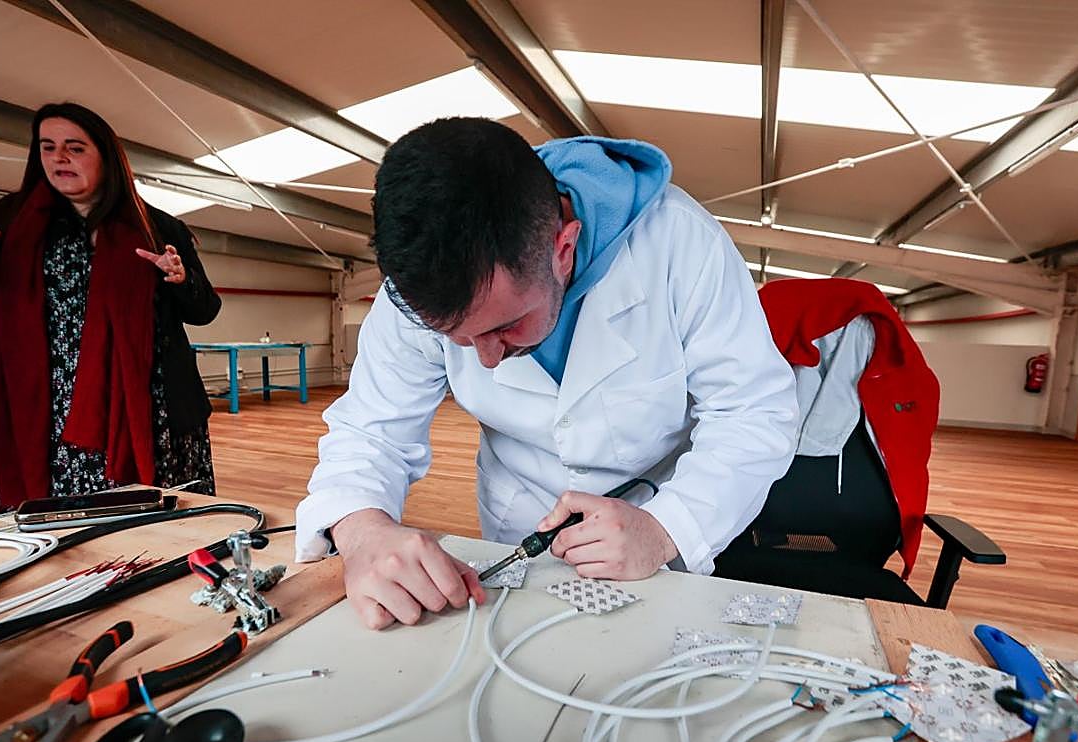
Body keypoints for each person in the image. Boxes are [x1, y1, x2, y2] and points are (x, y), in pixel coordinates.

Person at [296, 117, 799, 630]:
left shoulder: (680, 242)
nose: (486, 359)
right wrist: (362, 531)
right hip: (517, 528)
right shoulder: (419, 284)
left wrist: (667, 528)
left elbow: (753, 412)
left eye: (506, 326)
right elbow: (371, 431)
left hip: (657, 528)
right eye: (459, 338)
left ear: (564, 249)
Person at [0, 102, 221, 518]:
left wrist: (181, 279)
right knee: (52, 527)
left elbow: (205, 309)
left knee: (142, 524)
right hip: (40, 413)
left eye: (75, 147)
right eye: (48, 147)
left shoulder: (156, 226)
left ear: (106, 156)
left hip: (144, 410)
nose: (60, 158)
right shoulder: (10, 220)